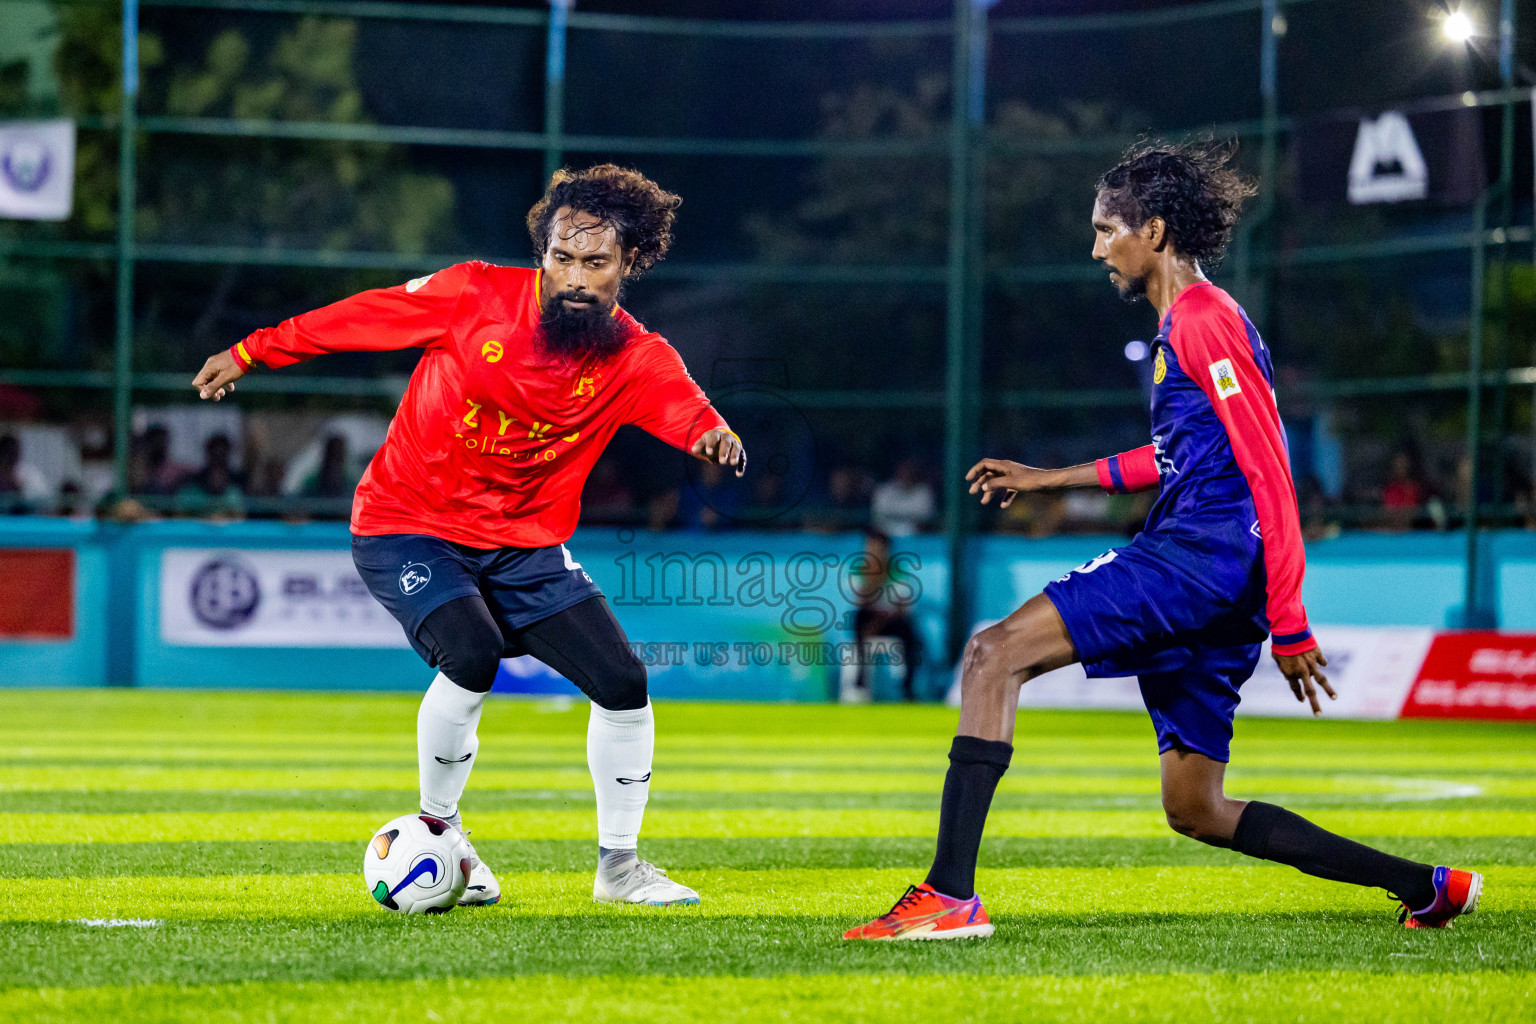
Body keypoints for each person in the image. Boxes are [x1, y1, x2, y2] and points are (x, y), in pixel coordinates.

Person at [845, 141, 1480, 941]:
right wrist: (1049, 478)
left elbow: (1270, 470)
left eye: (1107, 230)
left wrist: (1292, 617)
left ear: (1153, 229)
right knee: (1196, 807)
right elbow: (1177, 454)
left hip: (1199, 561)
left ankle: (948, 895)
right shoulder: (1189, 324)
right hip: (1220, 580)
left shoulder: (1205, 321)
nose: (1096, 248)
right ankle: (1428, 887)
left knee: (991, 654)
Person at [192, 164, 746, 909]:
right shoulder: (475, 295)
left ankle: (619, 869)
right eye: (561, 256)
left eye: (595, 261)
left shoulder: (636, 357)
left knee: (624, 684)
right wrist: (255, 351)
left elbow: (689, 409)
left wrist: (712, 436)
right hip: (407, 523)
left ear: (631, 263)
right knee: (473, 651)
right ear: (542, 250)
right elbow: (361, 316)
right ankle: (444, 834)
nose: (573, 276)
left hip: (525, 546)